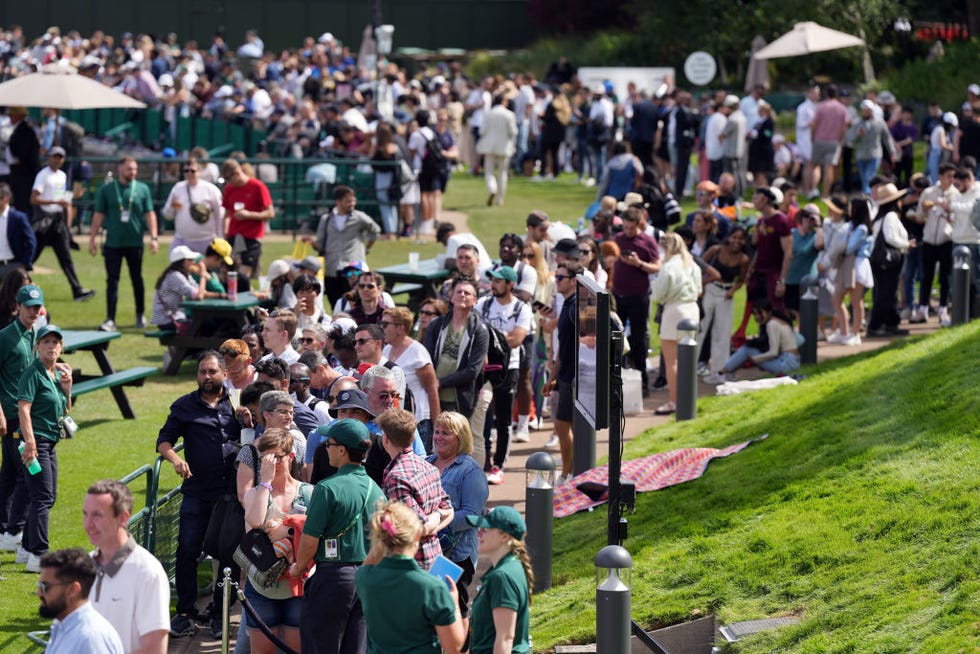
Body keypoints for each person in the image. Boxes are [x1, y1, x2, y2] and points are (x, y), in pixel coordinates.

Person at [156, 351, 242, 639]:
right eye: (203, 372)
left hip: (229, 495)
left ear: (224, 374)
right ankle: (185, 612)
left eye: (213, 372)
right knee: (187, 552)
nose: (207, 377)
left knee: (227, 556)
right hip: (196, 492)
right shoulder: (184, 406)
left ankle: (220, 612)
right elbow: (164, 441)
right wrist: (175, 460)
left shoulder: (237, 404)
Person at [290, 418, 385, 654]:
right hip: (367, 576)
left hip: (333, 578)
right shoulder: (377, 489)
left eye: (329, 443)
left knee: (321, 646)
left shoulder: (326, 488)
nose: (326, 448)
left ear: (342, 450)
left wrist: (298, 568)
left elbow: (310, 540)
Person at [356, 500, 466, 653]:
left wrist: (383, 540)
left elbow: (369, 561)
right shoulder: (433, 588)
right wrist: (454, 605)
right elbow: (454, 647)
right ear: (416, 537)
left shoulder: (364, 577)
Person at [241, 428, 311, 654]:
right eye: (265, 458)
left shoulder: (310, 493)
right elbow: (254, 522)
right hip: (262, 587)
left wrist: (287, 533)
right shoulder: (256, 493)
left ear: (291, 456)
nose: (271, 463)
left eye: (277, 457)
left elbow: (317, 535)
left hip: (298, 586)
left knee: (295, 650)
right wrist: (266, 482)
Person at [84, 479, 169, 654]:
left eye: (97, 515)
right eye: (86, 514)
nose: (88, 524)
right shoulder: (82, 567)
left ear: (123, 517)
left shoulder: (148, 573)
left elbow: (153, 649)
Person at [15, 323, 71, 571]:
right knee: (43, 496)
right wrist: (30, 443)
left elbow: (65, 411)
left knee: (46, 495)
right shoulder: (32, 373)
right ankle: (39, 554)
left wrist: (67, 390)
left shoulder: (56, 375)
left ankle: (27, 548)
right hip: (36, 444)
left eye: (55, 342)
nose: (52, 346)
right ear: (37, 346)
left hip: (50, 443)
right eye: (46, 342)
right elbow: (23, 408)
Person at [426, 411, 489, 617]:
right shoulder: (425, 463)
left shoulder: (471, 471)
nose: (439, 437)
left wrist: (435, 522)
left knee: (455, 610)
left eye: (446, 433)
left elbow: (472, 516)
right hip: (426, 551)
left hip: (456, 555)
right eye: (437, 432)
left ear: (460, 438)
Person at [376, 408, 453, 570]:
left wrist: (430, 525)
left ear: (386, 439)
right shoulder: (428, 467)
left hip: (412, 565)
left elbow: (417, 527)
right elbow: (448, 511)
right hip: (435, 557)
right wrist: (436, 518)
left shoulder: (396, 477)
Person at [475, 266, 531, 484]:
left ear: (510, 284)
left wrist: (486, 339)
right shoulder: (483, 303)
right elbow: (473, 329)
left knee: (504, 419)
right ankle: (483, 461)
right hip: (484, 367)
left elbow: (517, 339)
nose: (493, 284)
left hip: (509, 367)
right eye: (493, 280)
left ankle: (499, 464)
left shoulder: (521, 308)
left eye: (498, 281)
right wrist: (500, 338)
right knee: (482, 414)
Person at [89, 157, 159, 332]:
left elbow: (150, 214)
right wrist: (92, 239)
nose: (132, 172)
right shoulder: (107, 189)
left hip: (135, 243)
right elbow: (98, 215)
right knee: (112, 281)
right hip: (113, 243)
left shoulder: (143, 189)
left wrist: (154, 237)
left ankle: (140, 314)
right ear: (119, 168)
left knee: (137, 279)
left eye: (135, 169)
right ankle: (110, 319)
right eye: (129, 169)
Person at [0, 284, 44, 553]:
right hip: (11, 415)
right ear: (18, 307)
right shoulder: (5, 337)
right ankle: (14, 529)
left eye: (37, 307)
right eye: (29, 307)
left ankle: (5, 528)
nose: (33, 311)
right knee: (28, 473)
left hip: (28, 414)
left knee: (9, 474)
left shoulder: (35, 335)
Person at [30, 146, 95, 301]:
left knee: (65, 256)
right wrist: (55, 201)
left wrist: (70, 199)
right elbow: (34, 199)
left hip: (58, 220)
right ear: (49, 158)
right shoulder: (43, 175)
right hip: (45, 220)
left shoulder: (62, 176)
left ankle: (77, 290)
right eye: (54, 156)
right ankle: (11, 283)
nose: (57, 160)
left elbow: (62, 199)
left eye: (60, 157)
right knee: (31, 257)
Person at [465, 506, 532, 654]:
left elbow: (506, 638)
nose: (478, 532)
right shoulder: (508, 567)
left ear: (504, 537)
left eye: (486, 529)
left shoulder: (502, 577)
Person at [649, 233, 702, 416]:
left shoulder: (668, 267)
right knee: (687, 358)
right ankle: (688, 398)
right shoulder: (693, 264)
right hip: (692, 309)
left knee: (672, 360)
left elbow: (658, 294)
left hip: (674, 310)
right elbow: (700, 289)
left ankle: (675, 400)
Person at [36, 548, 124, 654]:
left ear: (73, 589)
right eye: (39, 586)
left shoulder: (90, 640)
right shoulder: (62, 625)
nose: (39, 593)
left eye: (45, 587)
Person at [423, 280, 490, 420]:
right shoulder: (436, 325)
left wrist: (440, 383)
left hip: (459, 399)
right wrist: (432, 384)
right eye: (459, 292)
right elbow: (426, 359)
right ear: (451, 297)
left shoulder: (479, 331)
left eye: (467, 293)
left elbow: (473, 371)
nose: (462, 295)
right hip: (431, 395)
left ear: (475, 301)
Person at [612, 206, 661, 395]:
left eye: (631, 228)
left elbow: (657, 267)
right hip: (618, 296)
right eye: (625, 227)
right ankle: (616, 381)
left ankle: (643, 383)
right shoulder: (618, 239)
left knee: (639, 341)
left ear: (639, 224)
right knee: (616, 339)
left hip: (638, 297)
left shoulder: (647, 241)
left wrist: (638, 263)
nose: (628, 231)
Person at [311, 185, 380, 309]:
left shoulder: (359, 217)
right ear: (338, 202)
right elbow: (320, 245)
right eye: (348, 201)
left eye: (353, 200)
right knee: (334, 303)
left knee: (355, 303)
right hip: (331, 269)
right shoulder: (326, 219)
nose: (352, 204)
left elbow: (375, 230)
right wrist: (311, 242)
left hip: (352, 270)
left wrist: (367, 248)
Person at [543, 261, 581, 481]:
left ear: (574, 281)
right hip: (564, 374)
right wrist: (553, 376)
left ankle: (568, 473)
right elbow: (563, 347)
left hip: (575, 376)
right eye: (556, 277)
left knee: (564, 425)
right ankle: (571, 470)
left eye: (560, 278)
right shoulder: (567, 304)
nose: (556, 281)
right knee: (564, 424)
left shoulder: (576, 306)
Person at [382, 306, 440, 447]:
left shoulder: (417, 352)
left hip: (418, 422)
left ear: (400, 328)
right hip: (395, 422)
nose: (381, 328)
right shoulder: (387, 349)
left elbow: (432, 389)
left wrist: (437, 426)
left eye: (385, 324)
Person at [699, 228, 750, 383]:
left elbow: (741, 280)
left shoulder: (743, 259)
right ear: (729, 237)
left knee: (722, 333)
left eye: (740, 239)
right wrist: (703, 283)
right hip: (710, 290)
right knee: (700, 328)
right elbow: (699, 265)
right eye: (734, 237)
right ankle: (689, 366)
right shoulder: (716, 250)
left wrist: (733, 290)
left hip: (726, 294)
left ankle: (718, 371)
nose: (737, 241)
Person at [709, 300, 800, 382]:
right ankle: (726, 373)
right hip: (792, 361)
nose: (757, 317)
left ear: (769, 312)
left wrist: (754, 359)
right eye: (755, 314)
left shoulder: (771, 325)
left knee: (747, 350)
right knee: (748, 349)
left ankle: (721, 373)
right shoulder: (779, 320)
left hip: (786, 364)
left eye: (760, 313)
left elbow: (773, 352)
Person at [222, 158, 274, 291]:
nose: (228, 182)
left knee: (243, 276)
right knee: (228, 274)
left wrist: (249, 214)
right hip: (233, 236)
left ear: (237, 173)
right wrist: (225, 233)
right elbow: (227, 214)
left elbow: (270, 213)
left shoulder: (257, 186)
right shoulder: (229, 189)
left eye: (228, 178)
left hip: (252, 237)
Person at [867, 184, 911, 336]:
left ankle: (888, 323)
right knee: (886, 293)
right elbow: (891, 238)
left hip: (880, 261)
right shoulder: (891, 216)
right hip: (889, 261)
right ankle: (878, 325)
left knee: (885, 292)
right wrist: (907, 244)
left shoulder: (881, 217)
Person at [828, 200, 873, 346]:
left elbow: (849, 248)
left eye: (851, 207)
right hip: (849, 265)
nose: (849, 210)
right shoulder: (853, 227)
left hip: (857, 264)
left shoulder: (861, 229)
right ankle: (845, 332)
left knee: (855, 300)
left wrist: (842, 245)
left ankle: (855, 334)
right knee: (837, 299)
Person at [161, 157, 224, 254]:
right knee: (175, 267)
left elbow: (219, 215)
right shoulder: (177, 188)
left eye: (192, 171)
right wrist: (171, 207)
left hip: (206, 241)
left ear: (199, 171)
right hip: (182, 241)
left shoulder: (211, 189)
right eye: (186, 171)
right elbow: (167, 215)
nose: (189, 173)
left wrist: (220, 238)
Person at [150, 245, 220, 330]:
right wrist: (203, 275)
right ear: (181, 262)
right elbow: (199, 296)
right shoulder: (175, 276)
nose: (193, 262)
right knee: (207, 326)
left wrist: (221, 296)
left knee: (208, 324)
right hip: (167, 320)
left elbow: (201, 292)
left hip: (174, 317)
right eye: (190, 259)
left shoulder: (184, 275)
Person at [476, 95, 517, 206]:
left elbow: (482, 131)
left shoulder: (488, 113)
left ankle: (492, 189)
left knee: (489, 171)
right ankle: (500, 199)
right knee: (502, 173)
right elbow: (513, 132)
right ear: (503, 101)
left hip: (489, 147)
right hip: (504, 147)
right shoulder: (509, 114)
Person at [0, 182, 37, 278]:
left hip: (13, 265)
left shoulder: (18, 218)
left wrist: (24, 264)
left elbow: (31, 242)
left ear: (7, 198)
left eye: (0, 198)